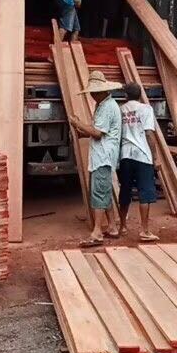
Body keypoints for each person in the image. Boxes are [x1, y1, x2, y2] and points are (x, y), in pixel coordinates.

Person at [69, 71, 123, 247]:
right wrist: (82, 132)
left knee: (99, 193)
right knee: (104, 191)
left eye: (94, 91)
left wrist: (78, 124)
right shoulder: (104, 105)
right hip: (102, 155)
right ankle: (112, 226)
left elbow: (98, 133)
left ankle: (98, 231)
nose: (92, 95)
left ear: (102, 91)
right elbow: (99, 132)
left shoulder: (107, 107)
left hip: (103, 156)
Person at [117, 83, 160, 242]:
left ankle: (122, 226)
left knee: (125, 191)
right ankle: (144, 230)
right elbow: (149, 133)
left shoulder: (120, 110)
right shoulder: (146, 109)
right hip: (142, 155)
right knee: (145, 193)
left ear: (126, 95)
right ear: (140, 94)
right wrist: (155, 157)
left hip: (125, 155)